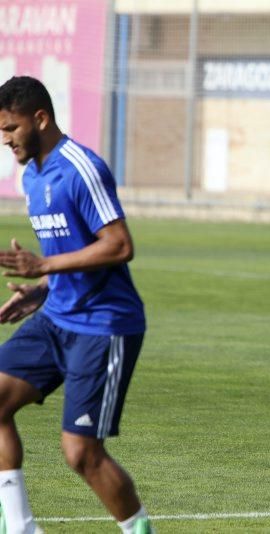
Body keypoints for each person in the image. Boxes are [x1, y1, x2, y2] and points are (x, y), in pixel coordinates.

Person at [0, 76, 153, 533]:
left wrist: (43, 266)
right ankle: (20, 526)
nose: (5, 140)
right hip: (57, 317)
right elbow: (74, 252)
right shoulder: (32, 175)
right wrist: (41, 291)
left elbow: (119, 245)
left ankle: (139, 529)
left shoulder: (81, 167)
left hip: (104, 325)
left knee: (81, 453)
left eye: (11, 129)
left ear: (40, 119)